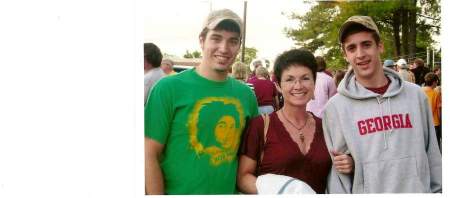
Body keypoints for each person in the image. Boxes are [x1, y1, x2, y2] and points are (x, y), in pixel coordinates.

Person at [144, 9, 259, 195]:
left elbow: (249, 158)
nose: (224, 48)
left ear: (239, 46)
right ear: (202, 40)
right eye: (216, 38)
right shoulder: (168, 88)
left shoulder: (246, 95)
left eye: (233, 41)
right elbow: (149, 153)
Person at [323, 15, 442, 193]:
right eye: (352, 48)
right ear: (345, 54)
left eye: (366, 44)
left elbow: (432, 153)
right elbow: (339, 177)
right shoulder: (335, 108)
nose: (360, 54)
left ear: (380, 46)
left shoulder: (415, 96)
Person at [238, 49, 354, 194]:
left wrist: (349, 165)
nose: (298, 86)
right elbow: (243, 178)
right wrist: (282, 192)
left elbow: (339, 169)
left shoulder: (325, 126)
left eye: (305, 78)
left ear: (314, 83)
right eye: (290, 79)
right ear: (278, 86)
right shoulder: (260, 126)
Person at [422, 72, 441, 152]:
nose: (437, 83)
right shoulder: (436, 93)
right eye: (437, 81)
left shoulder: (420, 90)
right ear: (434, 82)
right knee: (435, 144)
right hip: (434, 122)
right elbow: (438, 108)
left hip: (422, 122)